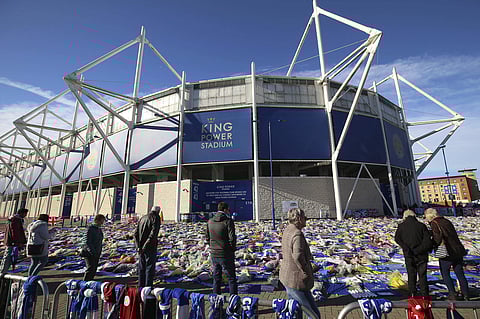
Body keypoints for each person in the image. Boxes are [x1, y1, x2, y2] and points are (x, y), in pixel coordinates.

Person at [279, 208, 320, 319]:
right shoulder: (297, 234)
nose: (306, 219)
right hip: (296, 279)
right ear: (299, 219)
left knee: (295, 311)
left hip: (286, 276)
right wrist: (306, 270)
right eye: (304, 217)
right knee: (312, 313)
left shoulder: (288, 229)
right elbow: (298, 256)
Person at [425, 208, 470, 300]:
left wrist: (431, 243)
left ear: (430, 216)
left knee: (445, 273)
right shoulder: (446, 221)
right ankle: (466, 294)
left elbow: (438, 238)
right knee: (459, 273)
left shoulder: (435, 223)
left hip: (447, 252)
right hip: (457, 250)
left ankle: (452, 294)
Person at [394, 209, 433, 296]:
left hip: (409, 254)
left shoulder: (401, 226)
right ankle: (424, 294)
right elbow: (427, 241)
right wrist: (419, 249)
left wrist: (406, 248)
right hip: (421, 254)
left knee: (411, 274)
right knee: (422, 275)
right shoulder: (421, 226)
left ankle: (412, 293)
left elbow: (397, 238)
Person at [206, 202, 238, 295]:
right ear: (225, 209)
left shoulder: (210, 221)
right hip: (225, 253)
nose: (229, 211)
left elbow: (207, 237)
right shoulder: (228, 221)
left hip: (214, 253)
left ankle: (216, 301)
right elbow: (232, 238)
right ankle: (233, 302)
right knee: (231, 278)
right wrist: (232, 249)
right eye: (228, 209)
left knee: (216, 278)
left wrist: (212, 246)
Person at [135, 206, 161, 287]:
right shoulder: (156, 218)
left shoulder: (143, 218)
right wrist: (145, 246)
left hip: (141, 247)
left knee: (141, 267)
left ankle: (140, 285)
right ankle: (148, 286)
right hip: (150, 246)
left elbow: (135, 233)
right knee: (149, 267)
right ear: (158, 211)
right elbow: (153, 234)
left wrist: (138, 247)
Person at [1, 208, 28, 273]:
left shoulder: (12, 219)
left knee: (8, 255)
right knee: (9, 255)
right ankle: (3, 270)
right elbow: (15, 232)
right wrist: (17, 242)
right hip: (12, 241)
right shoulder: (16, 220)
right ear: (22, 213)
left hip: (10, 240)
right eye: (25, 213)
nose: (25, 215)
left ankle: (3, 269)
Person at [82, 214, 106, 281]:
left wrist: (99, 251)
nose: (103, 222)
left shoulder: (99, 229)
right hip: (89, 253)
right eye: (102, 220)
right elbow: (87, 242)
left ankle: (90, 282)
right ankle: (85, 283)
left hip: (97, 252)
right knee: (90, 269)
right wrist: (92, 251)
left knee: (94, 269)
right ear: (98, 220)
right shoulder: (90, 229)